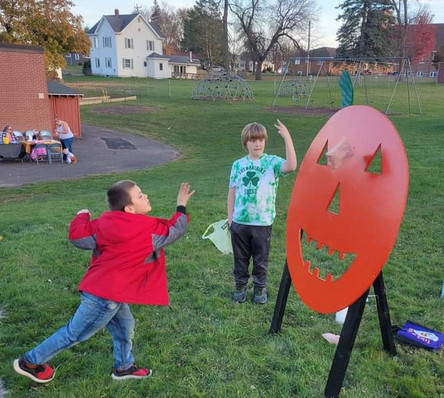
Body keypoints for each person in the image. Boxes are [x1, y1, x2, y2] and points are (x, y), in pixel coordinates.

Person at [13, 180, 194, 383]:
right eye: (141, 195)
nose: (146, 196)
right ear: (130, 208)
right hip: (105, 296)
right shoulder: (146, 229)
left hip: (108, 291)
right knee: (75, 333)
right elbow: (174, 230)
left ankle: (124, 367)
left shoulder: (103, 223)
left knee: (125, 326)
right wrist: (181, 205)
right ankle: (29, 362)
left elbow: (78, 236)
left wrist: (82, 215)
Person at [227, 120, 297, 304]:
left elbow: (291, 166)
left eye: (260, 140)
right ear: (245, 143)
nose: (257, 144)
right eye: (253, 140)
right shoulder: (237, 165)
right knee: (240, 259)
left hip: (262, 223)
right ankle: (240, 286)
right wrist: (230, 218)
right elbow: (232, 192)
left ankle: (259, 289)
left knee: (260, 260)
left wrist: (287, 138)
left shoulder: (271, 162)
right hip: (240, 222)